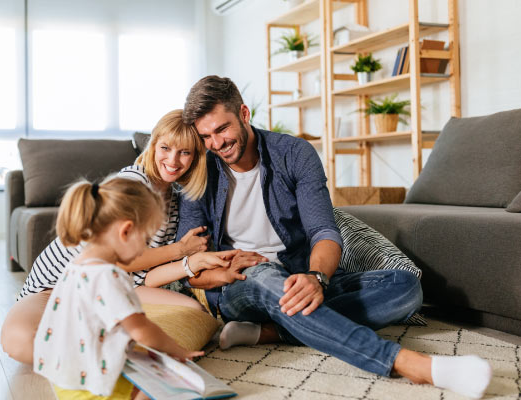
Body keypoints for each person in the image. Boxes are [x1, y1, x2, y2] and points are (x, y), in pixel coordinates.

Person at [175, 75, 492, 399]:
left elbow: (324, 231)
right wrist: (225, 273)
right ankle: (412, 364)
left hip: (298, 273)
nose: (215, 143)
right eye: (206, 136)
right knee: (268, 277)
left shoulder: (294, 153)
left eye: (221, 129)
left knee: (406, 287)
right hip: (241, 284)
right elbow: (189, 270)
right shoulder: (200, 170)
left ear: (244, 114)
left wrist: (316, 277)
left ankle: (273, 332)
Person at [1, 109, 235, 365]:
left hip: (116, 286)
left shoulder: (175, 204)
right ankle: (105, 351)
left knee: (194, 313)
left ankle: (116, 350)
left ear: (195, 158)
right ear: (153, 146)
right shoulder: (132, 184)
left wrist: (191, 264)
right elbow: (122, 260)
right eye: (166, 148)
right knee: (22, 341)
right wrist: (180, 250)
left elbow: (144, 277)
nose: (173, 160)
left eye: (185, 152)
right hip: (56, 287)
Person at [34, 176, 203, 398]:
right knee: (176, 386)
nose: (145, 250)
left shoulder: (76, 266)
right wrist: (177, 350)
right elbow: (142, 330)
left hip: (65, 381)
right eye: (146, 240)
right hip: (95, 387)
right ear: (126, 231)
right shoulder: (109, 275)